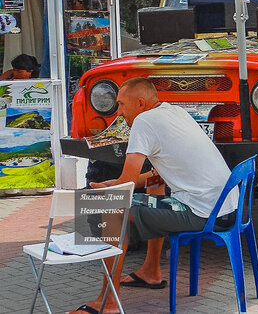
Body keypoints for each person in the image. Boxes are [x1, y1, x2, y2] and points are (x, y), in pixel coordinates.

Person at [71, 77, 238, 314]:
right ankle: (151, 271)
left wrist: (108, 189)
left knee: (105, 209)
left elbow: (125, 185)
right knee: (152, 186)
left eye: (121, 104)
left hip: (202, 212)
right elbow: (154, 176)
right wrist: (117, 183)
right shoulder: (174, 111)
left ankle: (108, 301)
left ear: (140, 103)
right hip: (224, 208)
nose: (118, 112)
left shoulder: (144, 122)